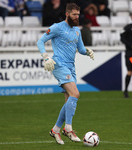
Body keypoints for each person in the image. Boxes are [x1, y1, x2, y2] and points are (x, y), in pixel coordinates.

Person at [37, 3, 94, 145]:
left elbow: (80, 49)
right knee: (75, 94)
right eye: (74, 14)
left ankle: (56, 129)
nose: (77, 17)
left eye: (78, 15)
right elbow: (40, 41)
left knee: (69, 100)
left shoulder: (77, 31)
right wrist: (46, 57)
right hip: (58, 64)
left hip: (71, 67)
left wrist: (87, 51)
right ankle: (68, 128)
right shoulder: (57, 27)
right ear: (67, 14)